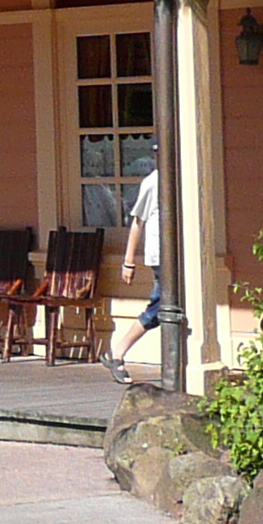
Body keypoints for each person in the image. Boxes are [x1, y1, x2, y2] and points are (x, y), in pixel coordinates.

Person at [110, 163, 164, 386]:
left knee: (172, 307)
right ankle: (117, 353)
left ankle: (117, 353)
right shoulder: (153, 181)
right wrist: (128, 261)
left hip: (182, 255)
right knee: (161, 306)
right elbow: (137, 221)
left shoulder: (184, 175)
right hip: (162, 256)